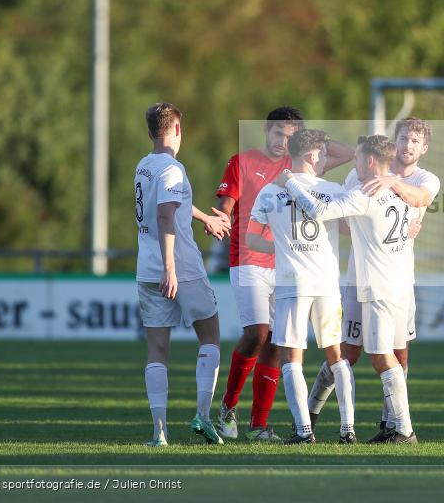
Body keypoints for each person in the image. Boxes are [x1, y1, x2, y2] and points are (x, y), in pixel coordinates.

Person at [214, 108, 353, 441]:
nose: (283, 141)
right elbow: (226, 206)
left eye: (291, 136)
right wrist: (219, 219)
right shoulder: (242, 162)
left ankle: (258, 426)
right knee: (257, 333)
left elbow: (347, 154)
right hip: (249, 260)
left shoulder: (300, 165)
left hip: (288, 267)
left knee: (279, 345)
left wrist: (313, 139)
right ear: (266, 131)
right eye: (278, 133)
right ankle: (228, 408)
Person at [305, 118, 439, 443]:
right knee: (347, 352)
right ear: (394, 144)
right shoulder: (367, 184)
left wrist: (295, 183)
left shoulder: (394, 186)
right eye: (403, 138)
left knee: (387, 354)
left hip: (387, 282)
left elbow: (421, 197)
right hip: (366, 278)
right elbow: (351, 223)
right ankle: (309, 416)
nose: (408, 145)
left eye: (415, 140)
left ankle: (398, 427)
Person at [284, 135, 418, 444]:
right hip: (399, 284)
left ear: (370, 161)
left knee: (381, 357)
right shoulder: (398, 190)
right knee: (382, 355)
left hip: (379, 287)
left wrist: (291, 182)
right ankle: (399, 428)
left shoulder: (365, 193)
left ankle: (404, 430)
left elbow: (317, 211)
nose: (354, 164)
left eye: (357, 158)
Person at [248, 129, 356, 444]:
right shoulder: (332, 189)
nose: (325, 159)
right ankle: (347, 429)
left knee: (291, 357)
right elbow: (348, 229)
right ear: (312, 155)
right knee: (336, 355)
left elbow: (252, 238)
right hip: (326, 283)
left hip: (292, 284)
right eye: (322, 153)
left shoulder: (270, 191)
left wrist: (282, 248)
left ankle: (304, 430)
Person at [134, 102, 231, 446]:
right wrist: (171, 269)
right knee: (210, 335)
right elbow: (165, 215)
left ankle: (159, 433)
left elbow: (174, 204)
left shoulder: (144, 166)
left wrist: (206, 218)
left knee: (157, 351)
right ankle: (202, 415)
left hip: (146, 268)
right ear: (177, 128)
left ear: (150, 132)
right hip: (180, 267)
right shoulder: (173, 168)